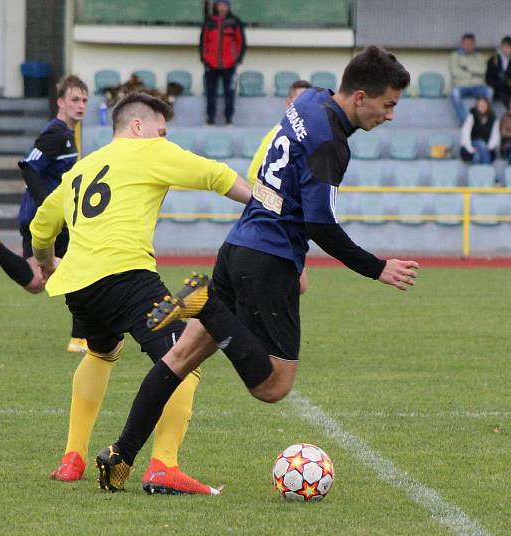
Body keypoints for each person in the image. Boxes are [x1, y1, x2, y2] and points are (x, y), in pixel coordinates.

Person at [95, 46, 420, 493]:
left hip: (238, 246)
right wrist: (376, 267)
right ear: (361, 96)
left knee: (180, 357)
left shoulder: (307, 102)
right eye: (389, 105)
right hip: (270, 259)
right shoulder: (332, 143)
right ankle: (205, 304)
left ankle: (120, 455)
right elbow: (321, 224)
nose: (390, 116)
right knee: (274, 385)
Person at [29, 92, 252, 495]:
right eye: (160, 131)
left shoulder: (82, 168)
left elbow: (41, 224)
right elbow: (216, 175)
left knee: (100, 352)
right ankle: (164, 465)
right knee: (185, 356)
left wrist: (46, 263)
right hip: (127, 277)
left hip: (79, 287)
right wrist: (268, 206)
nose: (164, 139)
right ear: (137, 127)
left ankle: (72, 457)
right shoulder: (148, 151)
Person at [0, 75, 91, 354]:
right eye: (74, 100)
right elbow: (29, 166)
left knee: (35, 282)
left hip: (36, 217)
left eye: (84, 100)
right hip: (45, 219)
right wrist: (49, 205)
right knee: (80, 271)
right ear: (60, 102)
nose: (80, 105)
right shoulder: (56, 133)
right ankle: (80, 339)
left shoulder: (66, 135)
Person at [247, 79, 313, 295]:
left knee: (296, 283)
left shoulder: (306, 136)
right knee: (293, 282)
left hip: (290, 222)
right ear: (288, 104)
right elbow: (253, 174)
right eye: (299, 100)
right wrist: (275, 204)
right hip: (276, 221)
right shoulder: (281, 132)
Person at [200, 0, 246, 126]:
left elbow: (241, 41)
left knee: (229, 93)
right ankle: (210, 119)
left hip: (229, 64)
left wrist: (237, 59)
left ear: (228, 6)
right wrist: (204, 59)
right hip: (211, 63)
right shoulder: (209, 22)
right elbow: (203, 41)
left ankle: (229, 119)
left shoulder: (235, 22)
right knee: (210, 92)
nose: (222, 7)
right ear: (216, 6)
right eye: (219, 4)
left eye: (224, 5)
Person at [449, 33, 492, 124]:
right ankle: (466, 121)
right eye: (466, 44)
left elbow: (483, 71)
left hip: (477, 85)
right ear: (462, 44)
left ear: (474, 45)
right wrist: (474, 74)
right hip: (461, 85)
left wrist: (466, 68)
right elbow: (455, 73)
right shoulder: (454, 56)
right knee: (455, 93)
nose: (468, 46)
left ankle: (483, 119)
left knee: (489, 91)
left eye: (471, 44)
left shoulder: (479, 57)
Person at [486, 36, 511, 109]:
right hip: (498, 88)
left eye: (508, 47)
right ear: (501, 47)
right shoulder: (493, 59)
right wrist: (497, 84)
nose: (506, 50)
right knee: (505, 95)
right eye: (504, 47)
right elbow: (488, 78)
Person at [460, 96, 499, 164]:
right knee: (480, 144)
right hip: (471, 145)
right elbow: (465, 132)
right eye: (480, 105)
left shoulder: (493, 118)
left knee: (477, 156)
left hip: (487, 147)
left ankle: (477, 174)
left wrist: (485, 148)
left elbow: (495, 137)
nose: (482, 107)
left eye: (484, 105)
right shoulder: (472, 115)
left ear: (488, 106)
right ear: (477, 106)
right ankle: (487, 171)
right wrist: (471, 148)